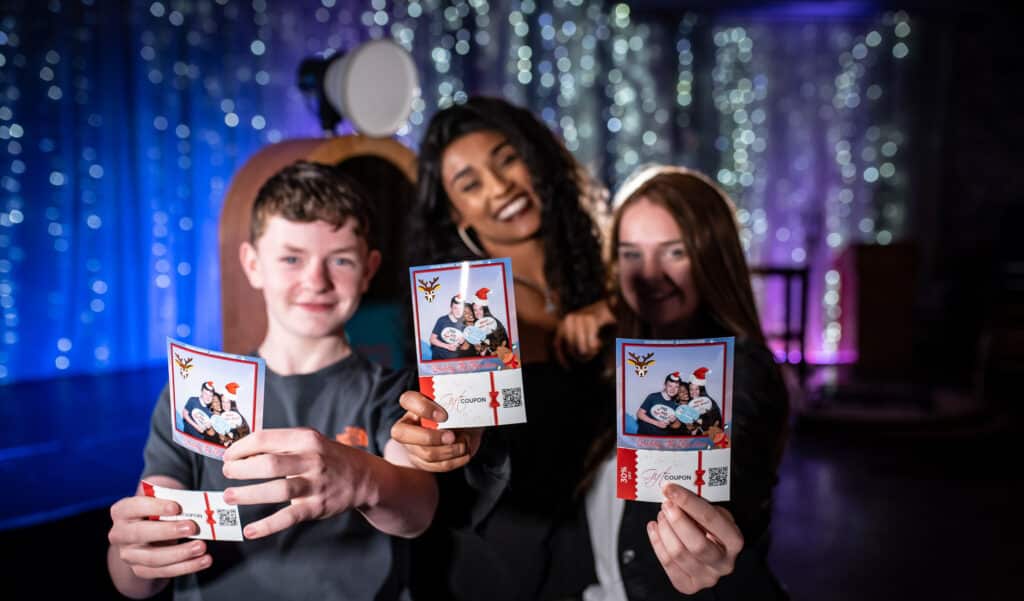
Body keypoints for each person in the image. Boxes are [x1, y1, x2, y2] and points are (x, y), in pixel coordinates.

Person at [106, 161, 437, 601]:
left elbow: (418, 510)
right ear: (253, 264)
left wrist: (363, 478)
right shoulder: (197, 389)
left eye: (340, 259)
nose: (315, 281)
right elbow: (137, 574)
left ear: (369, 269)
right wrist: (135, 554)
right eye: (291, 258)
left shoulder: (392, 394)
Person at [393, 96, 612, 601]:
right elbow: (442, 424)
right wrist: (432, 435)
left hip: (603, 538)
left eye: (507, 159)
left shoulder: (611, 267)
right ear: (455, 213)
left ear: (536, 157)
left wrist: (613, 313)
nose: (500, 188)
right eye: (470, 184)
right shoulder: (455, 309)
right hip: (492, 554)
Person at [577, 165, 791, 599]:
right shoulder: (616, 359)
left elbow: (740, 472)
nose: (650, 274)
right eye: (631, 253)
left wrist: (715, 545)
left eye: (674, 252)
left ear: (713, 257)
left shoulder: (743, 370)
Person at [429, 294, 468, 359]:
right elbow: (432, 340)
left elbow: (460, 344)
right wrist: (447, 346)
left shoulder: (464, 324)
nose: (458, 311)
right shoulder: (442, 320)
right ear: (451, 308)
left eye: (461, 308)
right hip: (439, 359)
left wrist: (462, 341)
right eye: (455, 308)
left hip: (454, 360)